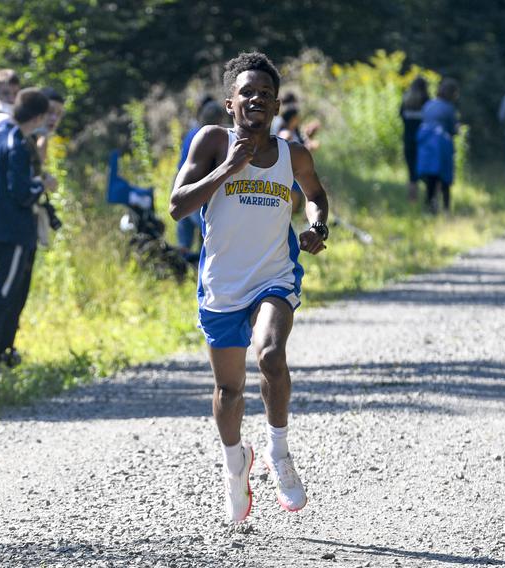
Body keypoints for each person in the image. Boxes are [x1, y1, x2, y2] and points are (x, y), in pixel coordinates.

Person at [169, 52, 330, 523]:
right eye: (247, 93)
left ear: (277, 105)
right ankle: (234, 463)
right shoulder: (212, 142)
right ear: (230, 103)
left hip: (274, 275)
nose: (256, 98)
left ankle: (279, 451)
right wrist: (227, 169)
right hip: (221, 282)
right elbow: (178, 205)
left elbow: (316, 196)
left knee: (270, 354)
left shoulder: (291, 154)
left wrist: (318, 227)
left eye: (265, 93)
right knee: (229, 389)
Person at [0, 88, 52, 375]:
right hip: (12, 230)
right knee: (1, 295)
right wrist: (42, 184)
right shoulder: (17, 141)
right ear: (40, 115)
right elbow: (21, 192)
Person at [175, 97, 224, 263]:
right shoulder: (209, 137)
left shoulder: (192, 132)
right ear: (218, 120)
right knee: (207, 230)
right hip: (198, 189)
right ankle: (201, 268)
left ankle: (184, 269)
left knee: (185, 237)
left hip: (180, 186)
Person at [416, 78, 459, 214]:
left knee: (430, 177)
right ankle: (446, 208)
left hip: (425, 142)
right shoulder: (448, 108)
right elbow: (453, 129)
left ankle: (429, 206)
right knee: (445, 176)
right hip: (441, 143)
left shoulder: (428, 105)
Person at [400, 77, 430, 201]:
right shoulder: (427, 102)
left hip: (408, 140)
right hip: (424, 141)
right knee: (427, 171)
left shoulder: (405, 102)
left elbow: (401, 117)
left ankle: (412, 200)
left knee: (412, 173)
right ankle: (430, 199)